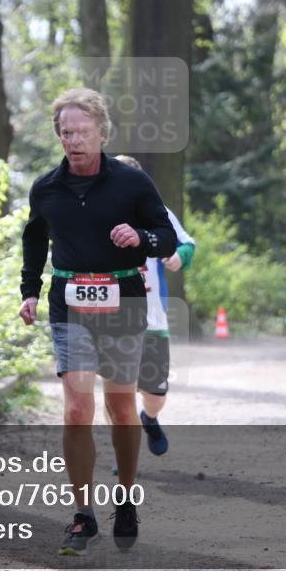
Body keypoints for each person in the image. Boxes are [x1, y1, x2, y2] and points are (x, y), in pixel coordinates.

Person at [19, 88, 177, 556]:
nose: (74, 141)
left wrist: (141, 236)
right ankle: (82, 515)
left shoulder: (132, 183)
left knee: (122, 407)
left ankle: (125, 499)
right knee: (75, 408)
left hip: (123, 300)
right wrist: (29, 291)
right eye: (66, 133)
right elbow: (34, 239)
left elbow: (166, 237)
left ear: (102, 133)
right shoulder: (46, 188)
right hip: (69, 303)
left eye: (82, 132)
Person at [114, 155, 195, 457]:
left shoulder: (157, 212)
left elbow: (187, 244)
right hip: (113, 320)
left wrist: (177, 257)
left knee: (155, 394)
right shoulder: (100, 212)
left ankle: (149, 417)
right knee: (119, 395)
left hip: (153, 319)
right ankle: (125, 457)